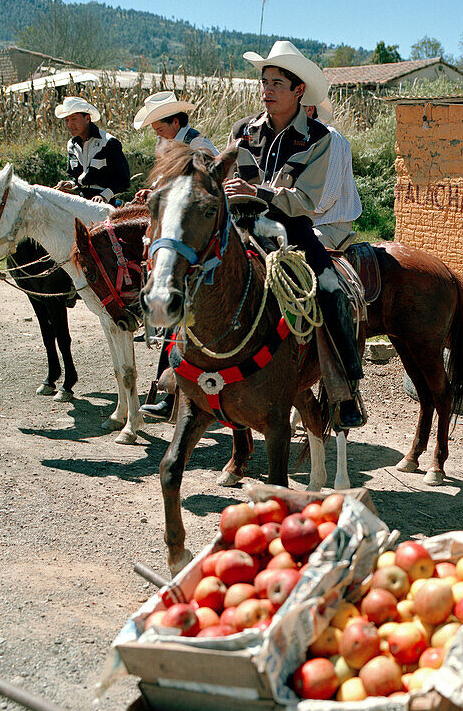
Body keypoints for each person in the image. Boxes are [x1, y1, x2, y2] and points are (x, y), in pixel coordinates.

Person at [224, 40, 365, 430]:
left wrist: (260, 193)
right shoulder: (242, 131)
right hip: (240, 224)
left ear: (298, 90)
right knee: (192, 264)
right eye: (264, 82)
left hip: (293, 231)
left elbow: (306, 201)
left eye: (276, 84)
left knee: (332, 288)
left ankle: (346, 388)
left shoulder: (318, 138)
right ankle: (171, 377)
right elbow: (222, 173)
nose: (266, 90)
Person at [132, 92, 220, 420]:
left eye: (159, 124)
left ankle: (171, 394)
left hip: (195, 235)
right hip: (177, 228)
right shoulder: (169, 146)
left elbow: (200, 193)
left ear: (176, 121)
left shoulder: (200, 146)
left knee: (179, 305)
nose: (155, 130)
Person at [304, 99, 362, 249]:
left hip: (329, 225)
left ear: (309, 109)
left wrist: (294, 210)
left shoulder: (330, 137)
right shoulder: (297, 141)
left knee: (297, 254)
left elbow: (327, 197)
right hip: (305, 221)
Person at [54, 96, 130, 204]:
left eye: (74, 119)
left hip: (105, 202)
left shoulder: (108, 142)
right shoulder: (71, 145)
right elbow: (74, 175)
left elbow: (123, 180)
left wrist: (104, 196)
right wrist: (70, 183)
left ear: (87, 119)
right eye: (67, 120)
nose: (69, 124)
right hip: (82, 201)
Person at [132, 91, 220, 158]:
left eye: (160, 130)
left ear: (175, 122)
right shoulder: (169, 144)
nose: (158, 135)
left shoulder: (197, 144)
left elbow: (218, 171)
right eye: (156, 131)